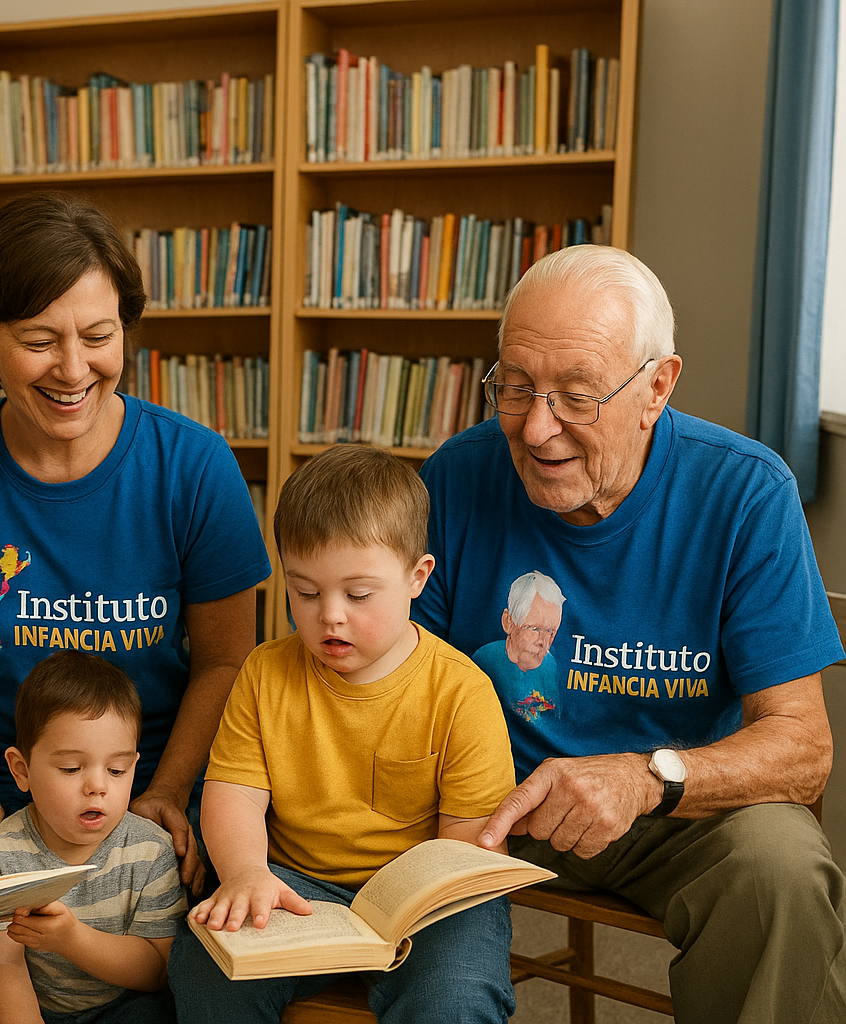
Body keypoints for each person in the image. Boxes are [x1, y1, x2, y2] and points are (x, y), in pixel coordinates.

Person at [413, 244, 846, 1024]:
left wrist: (647, 778)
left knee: (779, 869)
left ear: (657, 386)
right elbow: (394, 682)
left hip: (669, 813)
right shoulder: (456, 475)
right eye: (514, 388)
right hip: (484, 806)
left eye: (575, 397)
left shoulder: (745, 493)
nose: (537, 428)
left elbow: (804, 748)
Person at [0, 192, 271, 894]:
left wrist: (168, 791)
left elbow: (225, 662)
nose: (72, 368)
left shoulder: (196, 466)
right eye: (38, 340)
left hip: (143, 802)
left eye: (98, 336)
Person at [170, 444, 518, 1024]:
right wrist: (246, 873)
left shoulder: (463, 691)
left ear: (417, 577)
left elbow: (470, 846)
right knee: (205, 970)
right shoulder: (263, 672)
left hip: (427, 899)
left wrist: (420, 903)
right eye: (305, 592)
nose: (330, 614)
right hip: (291, 877)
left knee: (456, 996)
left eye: (358, 595)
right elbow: (233, 794)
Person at [0, 650, 186, 1024]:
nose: (98, 787)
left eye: (117, 770)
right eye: (71, 768)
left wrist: (72, 940)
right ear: (21, 771)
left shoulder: (151, 850)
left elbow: (156, 971)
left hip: (125, 1006)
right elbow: (1, 966)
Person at [468, 570, 565, 723]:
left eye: (550, 632)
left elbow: (554, 718)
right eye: (535, 629)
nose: (543, 641)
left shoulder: (550, 666)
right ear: (508, 622)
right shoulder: (484, 658)